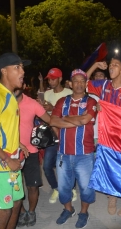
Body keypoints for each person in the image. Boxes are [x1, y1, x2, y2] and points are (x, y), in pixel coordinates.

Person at [86, 55, 121, 216]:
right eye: (110, 65)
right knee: (109, 168)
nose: (111, 67)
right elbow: (82, 81)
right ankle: (112, 197)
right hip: (106, 136)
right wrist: (95, 65)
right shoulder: (103, 85)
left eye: (116, 65)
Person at [0, 52, 30, 229]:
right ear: (4, 71)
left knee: (17, 203)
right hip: (0, 165)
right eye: (17, 67)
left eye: (23, 68)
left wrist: (18, 143)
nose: (22, 72)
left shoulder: (9, 96)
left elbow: (4, 127)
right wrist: (6, 158)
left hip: (13, 161)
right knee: (3, 212)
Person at [50, 69, 97, 228]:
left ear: (86, 84)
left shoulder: (91, 102)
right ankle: (68, 209)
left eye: (82, 81)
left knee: (85, 187)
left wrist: (65, 118)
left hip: (84, 154)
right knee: (64, 186)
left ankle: (84, 213)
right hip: (63, 153)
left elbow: (86, 119)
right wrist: (77, 120)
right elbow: (53, 122)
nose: (78, 84)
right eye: (75, 81)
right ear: (70, 83)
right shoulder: (62, 101)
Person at [15, 83, 51, 227]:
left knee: (32, 186)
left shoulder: (32, 103)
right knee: (14, 187)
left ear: (23, 86)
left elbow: (49, 120)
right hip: (10, 153)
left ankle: (31, 211)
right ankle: (21, 211)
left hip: (31, 151)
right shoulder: (2, 102)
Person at [42, 68, 73, 204]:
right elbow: (44, 116)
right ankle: (56, 188)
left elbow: (71, 115)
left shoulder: (69, 93)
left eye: (53, 78)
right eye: (49, 78)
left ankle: (72, 188)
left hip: (66, 133)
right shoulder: (47, 93)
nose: (51, 81)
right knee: (47, 166)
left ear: (60, 79)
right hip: (51, 135)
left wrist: (52, 108)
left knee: (68, 164)